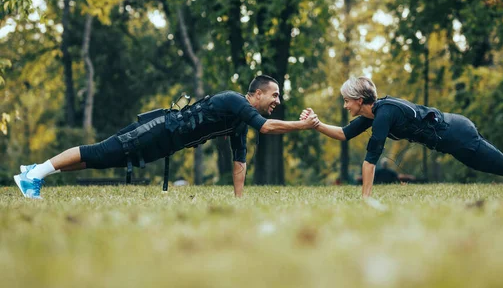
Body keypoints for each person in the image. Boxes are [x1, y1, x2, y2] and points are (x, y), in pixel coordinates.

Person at [14, 75, 320, 199]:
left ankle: (33, 172)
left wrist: (239, 201)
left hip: (163, 141)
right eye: (274, 94)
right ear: (256, 93)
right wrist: (303, 125)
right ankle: (34, 176)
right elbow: (266, 129)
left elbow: (239, 159)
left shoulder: (238, 120)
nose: (277, 100)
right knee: (99, 152)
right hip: (157, 129)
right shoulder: (235, 101)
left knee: (101, 162)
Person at [301, 76, 503, 199]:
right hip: (454, 135)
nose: (344, 106)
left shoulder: (384, 113)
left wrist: (365, 199)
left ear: (360, 99)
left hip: (457, 134)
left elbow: (372, 157)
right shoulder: (372, 113)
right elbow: (342, 134)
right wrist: (316, 125)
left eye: (346, 101)